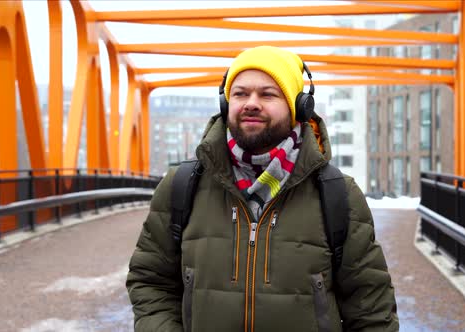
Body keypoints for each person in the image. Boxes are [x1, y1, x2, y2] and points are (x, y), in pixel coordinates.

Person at [127, 46, 398, 332]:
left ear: (299, 106)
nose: (251, 103)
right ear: (225, 103)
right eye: (240, 93)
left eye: (268, 94)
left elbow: (371, 310)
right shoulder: (182, 185)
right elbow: (150, 281)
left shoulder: (337, 193)